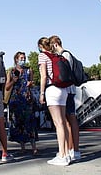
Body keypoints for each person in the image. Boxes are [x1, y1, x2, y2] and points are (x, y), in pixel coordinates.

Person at [37, 37, 70, 166]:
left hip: (52, 89)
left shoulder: (42, 56)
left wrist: (41, 93)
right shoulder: (56, 55)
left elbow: (44, 76)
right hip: (63, 90)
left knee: (58, 123)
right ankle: (66, 153)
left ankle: (61, 155)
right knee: (63, 122)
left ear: (40, 46)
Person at [49, 35, 82, 161]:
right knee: (70, 119)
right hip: (71, 89)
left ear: (55, 44)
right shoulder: (69, 54)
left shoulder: (63, 55)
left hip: (66, 89)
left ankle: (70, 150)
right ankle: (73, 149)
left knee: (68, 120)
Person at [5, 51, 38, 155]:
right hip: (16, 100)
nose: (23, 60)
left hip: (27, 99)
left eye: (24, 58)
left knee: (30, 123)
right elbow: (7, 87)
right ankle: (22, 147)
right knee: (18, 124)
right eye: (21, 58)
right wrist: (13, 81)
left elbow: (32, 83)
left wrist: (30, 83)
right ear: (16, 59)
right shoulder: (11, 71)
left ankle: (34, 147)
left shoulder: (29, 70)